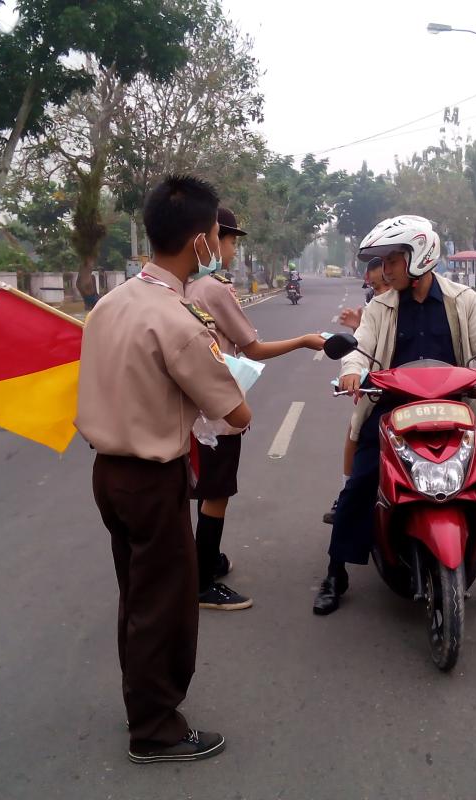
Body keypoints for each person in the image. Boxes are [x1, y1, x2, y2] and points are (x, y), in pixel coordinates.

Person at [77, 175, 250, 764]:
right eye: (216, 237)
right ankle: (155, 730)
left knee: (137, 597)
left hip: (108, 474)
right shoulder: (178, 320)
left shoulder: (110, 304)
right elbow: (234, 410)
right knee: (166, 608)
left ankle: (142, 707)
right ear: (201, 241)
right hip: (153, 480)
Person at [313, 215, 476, 623]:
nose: (384, 270)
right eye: (383, 262)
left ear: (419, 257)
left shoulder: (462, 299)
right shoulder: (380, 306)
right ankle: (335, 573)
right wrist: (351, 370)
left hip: (450, 410)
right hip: (392, 410)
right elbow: (361, 349)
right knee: (361, 481)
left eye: (392, 260)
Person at [186, 207, 325, 611]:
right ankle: (201, 583)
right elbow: (252, 347)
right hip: (217, 410)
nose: (231, 249)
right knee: (217, 495)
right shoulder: (214, 288)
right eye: (230, 241)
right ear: (210, 241)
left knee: (204, 487)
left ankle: (206, 559)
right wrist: (304, 340)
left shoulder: (183, 287)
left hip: (192, 409)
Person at [322, 256, 389, 525]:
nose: (380, 291)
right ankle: (347, 494)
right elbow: (363, 346)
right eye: (375, 286)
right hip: (381, 390)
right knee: (356, 432)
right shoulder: (374, 309)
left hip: (424, 392)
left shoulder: (426, 303)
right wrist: (353, 373)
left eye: (383, 283)